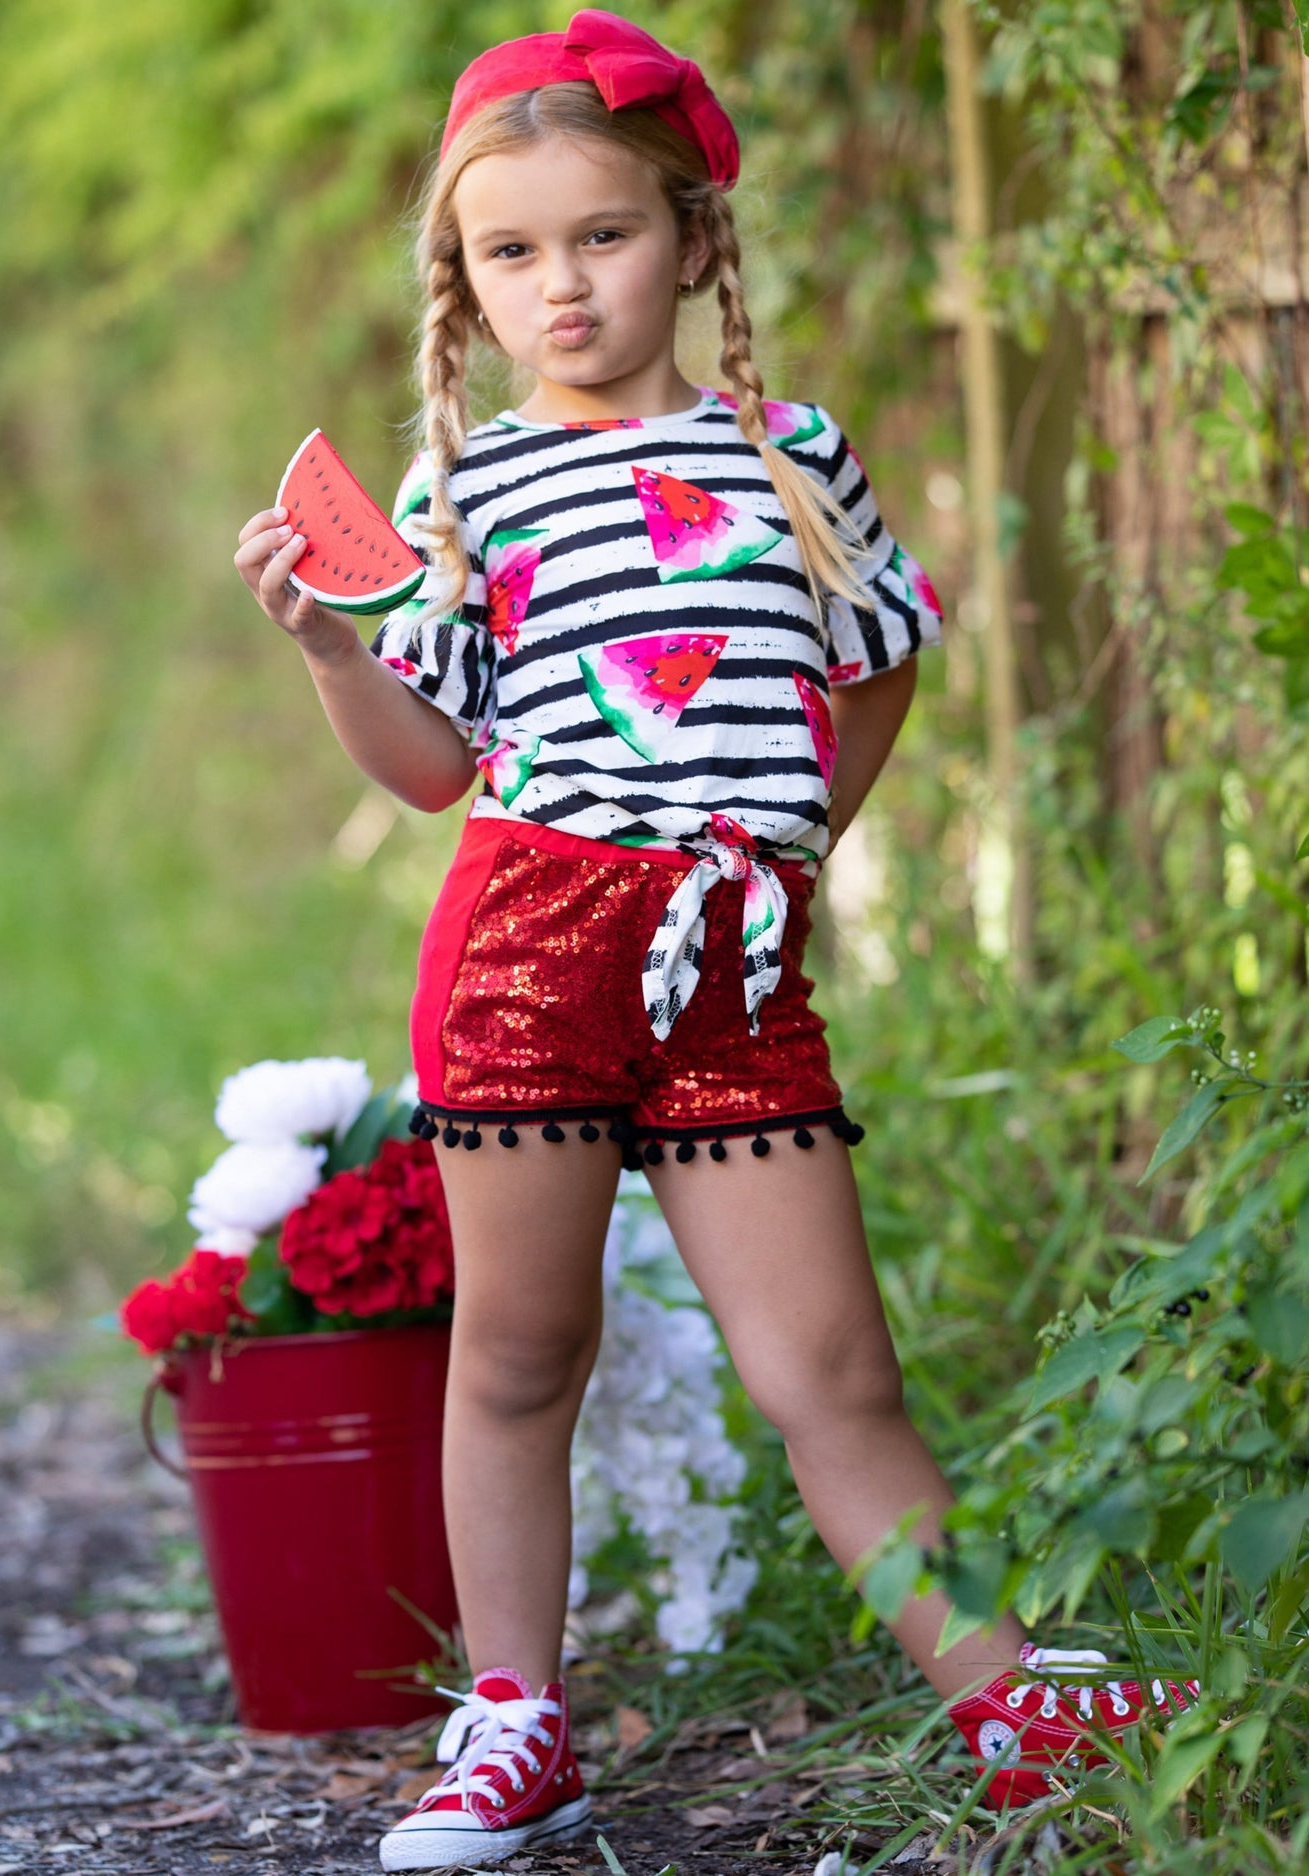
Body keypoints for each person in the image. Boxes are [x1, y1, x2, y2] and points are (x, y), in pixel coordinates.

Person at [233, 13, 1195, 1867]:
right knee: (522, 1349)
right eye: (512, 253)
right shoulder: (466, 494)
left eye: (602, 235)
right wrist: (329, 648)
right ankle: (515, 1726)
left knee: (833, 1367)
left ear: (689, 239)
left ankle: (1007, 1706)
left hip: (736, 962)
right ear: (470, 282)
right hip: (531, 944)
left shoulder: (791, 454)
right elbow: (435, 774)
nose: (563, 285)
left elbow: (888, 644)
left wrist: (801, 836)